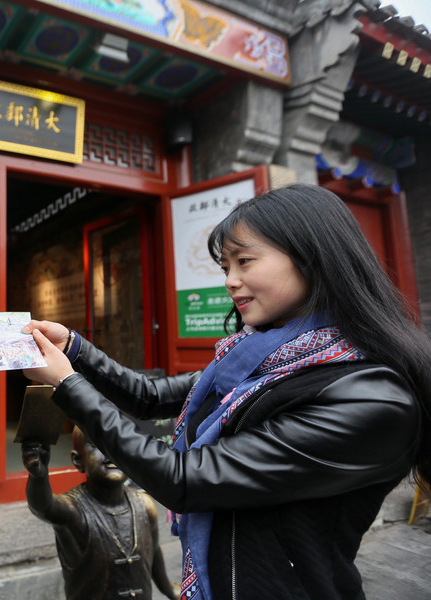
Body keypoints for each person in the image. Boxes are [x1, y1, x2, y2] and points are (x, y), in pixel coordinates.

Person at [21, 184, 431, 600]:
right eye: (225, 267)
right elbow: (147, 396)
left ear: (312, 257)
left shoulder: (372, 398)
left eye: (245, 261)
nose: (231, 282)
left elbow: (183, 479)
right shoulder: (258, 362)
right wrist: (73, 346)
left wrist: (67, 384)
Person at [23, 426, 180, 600]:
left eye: (116, 445)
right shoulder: (74, 510)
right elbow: (44, 507)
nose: (109, 453)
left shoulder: (145, 505)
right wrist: (39, 476)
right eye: (97, 446)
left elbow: (154, 551)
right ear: (78, 460)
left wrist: (168, 590)